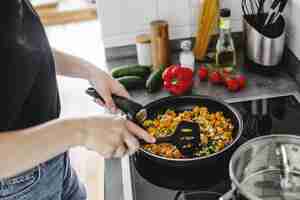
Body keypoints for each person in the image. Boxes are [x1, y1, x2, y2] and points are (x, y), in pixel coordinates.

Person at [0, 1, 155, 200]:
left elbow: (20, 50)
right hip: (15, 184)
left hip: (52, 154)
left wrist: (89, 71)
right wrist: (82, 131)